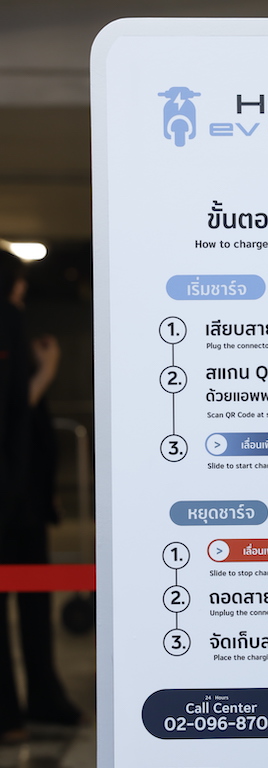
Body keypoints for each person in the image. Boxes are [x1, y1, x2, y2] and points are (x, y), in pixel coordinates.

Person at [0, 248, 81, 742]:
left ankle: (26, 707)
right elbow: (12, 409)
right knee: (27, 601)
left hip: (24, 497)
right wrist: (48, 370)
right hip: (14, 498)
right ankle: (17, 712)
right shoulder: (7, 319)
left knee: (31, 599)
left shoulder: (13, 323)